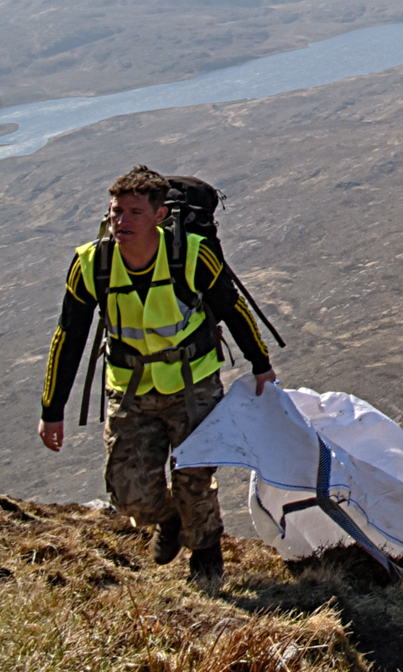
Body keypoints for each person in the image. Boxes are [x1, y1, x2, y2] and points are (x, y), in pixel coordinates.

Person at [38, 166, 276, 591]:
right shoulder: (91, 264)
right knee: (130, 492)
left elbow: (230, 308)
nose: (121, 222)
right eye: (115, 212)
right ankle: (164, 519)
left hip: (194, 387)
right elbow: (68, 336)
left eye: (133, 212)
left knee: (195, 481)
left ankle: (206, 559)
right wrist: (51, 410)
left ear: (160, 215)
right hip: (130, 392)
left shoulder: (193, 254)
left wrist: (261, 365)